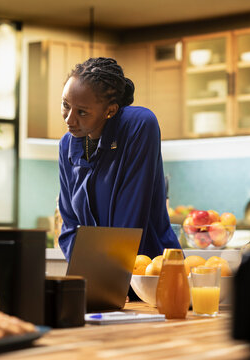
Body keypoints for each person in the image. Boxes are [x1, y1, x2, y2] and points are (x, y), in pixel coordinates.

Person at [58, 57, 180, 261]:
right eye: (65, 105)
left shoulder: (139, 125)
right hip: (100, 279)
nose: (69, 119)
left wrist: (109, 279)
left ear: (110, 111)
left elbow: (129, 225)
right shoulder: (67, 145)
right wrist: (89, 278)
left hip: (152, 274)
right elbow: (70, 227)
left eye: (82, 112)